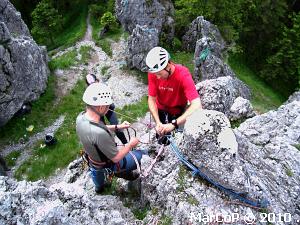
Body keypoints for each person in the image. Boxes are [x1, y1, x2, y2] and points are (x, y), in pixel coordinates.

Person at [76, 83, 145, 193]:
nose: (108, 109)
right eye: (107, 106)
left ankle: (99, 189)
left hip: (93, 161)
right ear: (101, 106)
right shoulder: (100, 134)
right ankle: (123, 173)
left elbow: (98, 127)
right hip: (110, 163)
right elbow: (116, 158)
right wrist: (131, 144)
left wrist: (118, 126)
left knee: (98, 184)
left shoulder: (81, 118)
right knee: (143, 154)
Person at [145, 46, 202, 143]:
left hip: (177, 111)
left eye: (159, 73)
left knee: (174, 137)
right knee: (162, 136)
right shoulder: (153, 73)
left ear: (168, 66)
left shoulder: (183, 75)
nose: (157, 77)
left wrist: (174, 124)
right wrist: (158, 122)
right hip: (160, 109)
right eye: (155, 74)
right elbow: (151, 99)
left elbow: (197, 105)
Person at [85, 74, 128, 144]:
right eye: (90, 84)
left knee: (116, 126)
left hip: (108, 109)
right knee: (103, 130)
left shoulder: (103, 87)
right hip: (98, 113)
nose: (93, 85)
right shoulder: (89, 92)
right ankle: (112, 146)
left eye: (94, 83)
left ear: (97, 80)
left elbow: (110, 98)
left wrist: (106, 106)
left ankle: (125, 143)